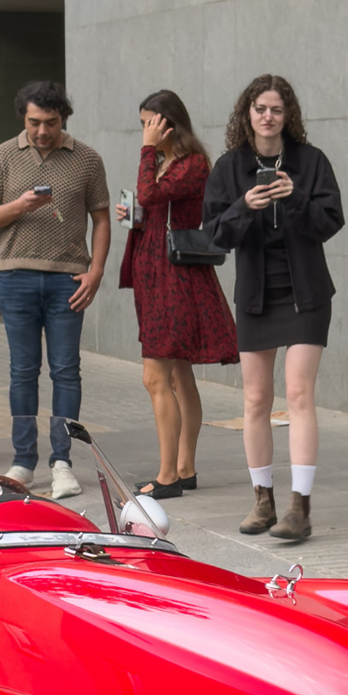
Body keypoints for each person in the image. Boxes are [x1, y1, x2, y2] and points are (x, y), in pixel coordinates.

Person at [205, 74, 342, 543]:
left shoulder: (311, 161)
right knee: (255, 400)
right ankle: (262, 500)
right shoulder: (229, 166)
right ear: (247, 114)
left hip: (306, 292)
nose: (268, 117)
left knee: (299, 395)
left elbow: (330, 221)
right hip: (256, 296)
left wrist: (295, 196)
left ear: (289, 116)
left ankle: (299, 507)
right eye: (260, 109)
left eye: (276, 110)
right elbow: (215, 234)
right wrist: (245, 205)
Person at [0, 80, 111, 500]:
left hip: (67, 278)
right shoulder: (3, 155)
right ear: (24, 118)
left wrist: (96, 271)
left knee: (66, 370)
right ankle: (23, 461)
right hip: (14, 275)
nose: (42, 131)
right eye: (34, 122)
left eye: (50, 123)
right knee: (22, 370)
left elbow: (102, 219)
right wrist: (20, 206)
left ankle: (63, 462)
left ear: (63, 118)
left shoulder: (86, 158)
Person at [116, 90, 236, 500]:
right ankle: (185, 468)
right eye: (143, 124)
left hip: (174, 280)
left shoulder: (193, 163)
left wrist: (147, 153)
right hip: (156, 276)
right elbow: (150, 205)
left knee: (156, 377)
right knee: (178, 375)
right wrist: (134, 217)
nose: (145, 131)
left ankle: (168, 476)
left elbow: (152, 194)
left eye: (150, 122)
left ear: (169, 123)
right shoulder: (168, 162)